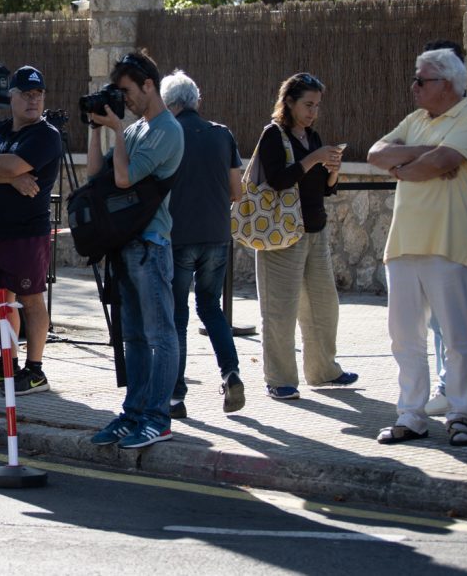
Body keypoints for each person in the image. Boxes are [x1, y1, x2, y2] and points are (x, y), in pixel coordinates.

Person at [367, 48, 467, 447]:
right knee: (404, 338)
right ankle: (411, 415)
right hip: (403, 244)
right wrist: (423, 153)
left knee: (456, 338)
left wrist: (407, 164)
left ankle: (461, 415)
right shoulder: (416, 120)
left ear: (447, 84)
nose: (414, 86)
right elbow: (375, 154)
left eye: (422, 80)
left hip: (449, 243)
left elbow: (441, 162)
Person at [86, 50, 183, 450]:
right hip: (127, 245)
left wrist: (117, 128)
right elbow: (96, 175)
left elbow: (124, 178)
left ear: (148, 85)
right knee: (135, 338)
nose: (123, 99)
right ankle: (133, 413)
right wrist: (96, 129)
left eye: (127, 91)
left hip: (152, 245)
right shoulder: (137, 128)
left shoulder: (167, 130)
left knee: (160, 335)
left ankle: (158, 418)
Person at [253, 73, 357, 401]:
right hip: (282, 235)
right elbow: (278, 180)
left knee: (324, 307)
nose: (313, 112)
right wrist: (314, 158)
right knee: (280, 311)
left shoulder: (312, 136)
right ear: (289, 102)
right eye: (308, 105)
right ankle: (279, 379)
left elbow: (325, 188)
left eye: (317, 106)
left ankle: (323, 370)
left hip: (315, 231)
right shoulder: (274, 135)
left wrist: (333, 169)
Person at [160, 69, 244, 416]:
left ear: (169, 104)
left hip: (179, 236)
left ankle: (175, 396)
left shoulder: (168, 134)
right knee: (211, 307)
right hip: (217, 235)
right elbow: (237, 191)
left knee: (177, 314)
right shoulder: (222, 134)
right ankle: (231, 373)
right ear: (195, 100)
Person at [0, 65, 61, 395]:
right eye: (26, 94)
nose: (33, 100)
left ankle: (35, 370)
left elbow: (10, 164)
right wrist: (10, 179)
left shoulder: (45, 136)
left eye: (38, 94)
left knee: (31, 299)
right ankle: (7, 364)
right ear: (11, 96)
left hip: (26, 234)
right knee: (1, 303)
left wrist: (1, 170)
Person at [420, 39, 467, 417]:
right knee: (437, 320)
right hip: (426, 234)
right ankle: (446, 386)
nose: (418, 85)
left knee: (450, 321)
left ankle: (452, 391)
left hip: (454, 235)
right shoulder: (423, 122)